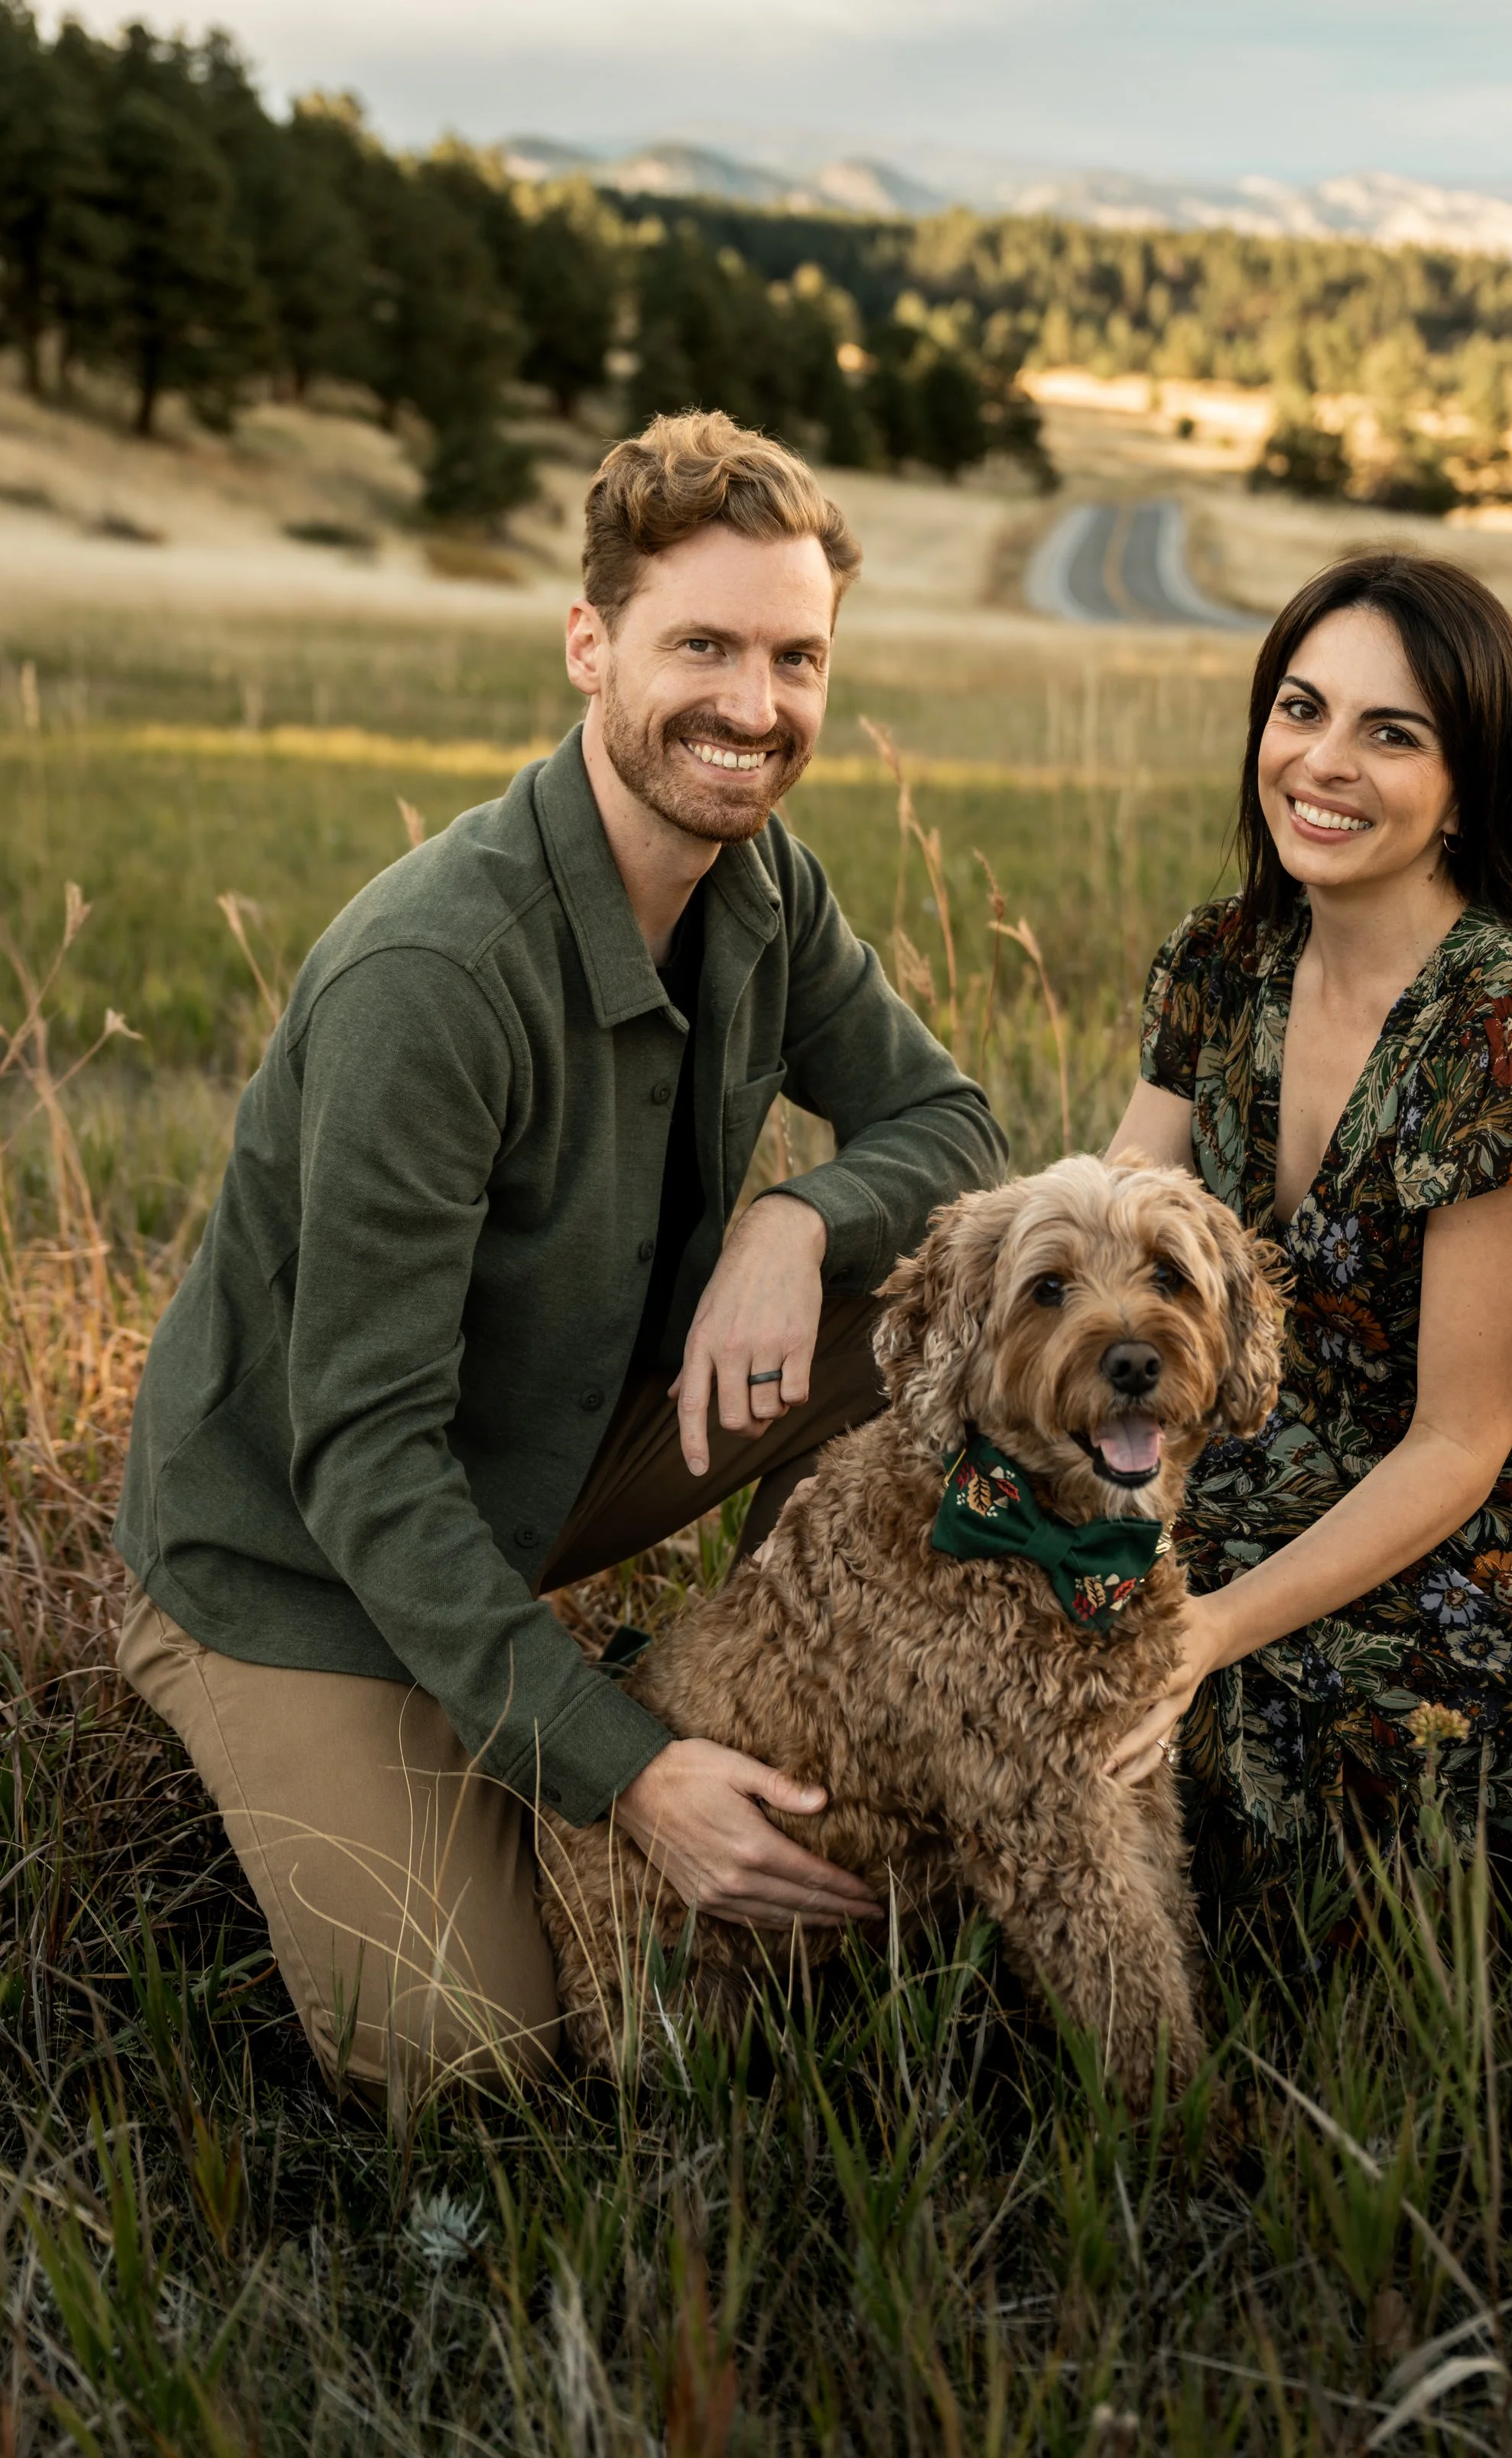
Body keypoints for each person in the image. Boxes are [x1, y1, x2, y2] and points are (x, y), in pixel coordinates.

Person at [114, 410, 1006, 2095]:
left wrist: (792, 1220)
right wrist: (628, 1773)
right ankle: (521, 1748)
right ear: (589, 645)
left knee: (921, 1304)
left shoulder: (767, 886)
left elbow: (948, 1128)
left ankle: (833, 1711)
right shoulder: (436, 984)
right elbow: (366, 1459)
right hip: (295, 1560)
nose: (754, 707)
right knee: (480, 2063)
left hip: (549, 1452)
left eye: (795, 657)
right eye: (704, 647)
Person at [1104, 551, 1512, 1871]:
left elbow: (1456, 1442)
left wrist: (1209, 1626)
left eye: (1392, 732)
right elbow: (1111, 1244)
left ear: (1463, 786)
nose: (1322, 762)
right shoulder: (1223, 962)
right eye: (1302, 708)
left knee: (1244, 1724)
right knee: (1041, 1618)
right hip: (1280, 1446)